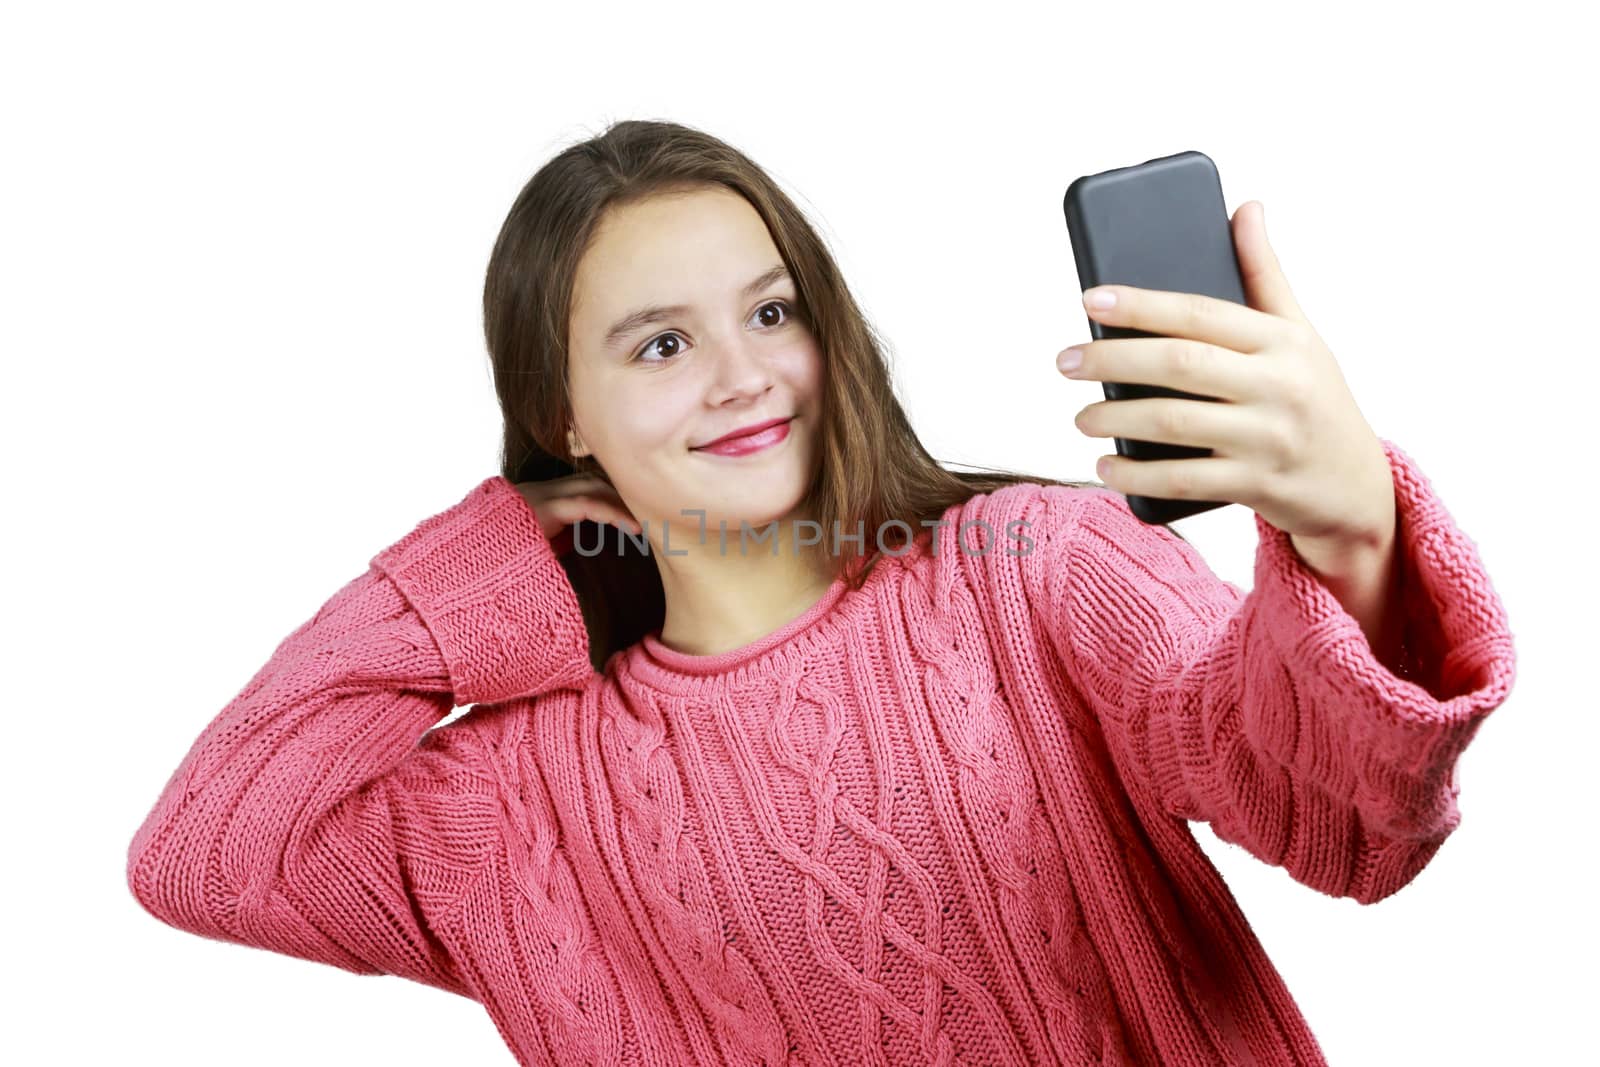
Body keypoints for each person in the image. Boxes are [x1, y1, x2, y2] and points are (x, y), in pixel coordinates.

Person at [125, 119, 1518, 1066]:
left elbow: (1348, 829)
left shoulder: (1032, 573)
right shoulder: (506, 800)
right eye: (661, 344)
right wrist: (510, 550)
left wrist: (1348, 529)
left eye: (771, 312)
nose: (741, 377)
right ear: (563, 412)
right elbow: (204, 853)